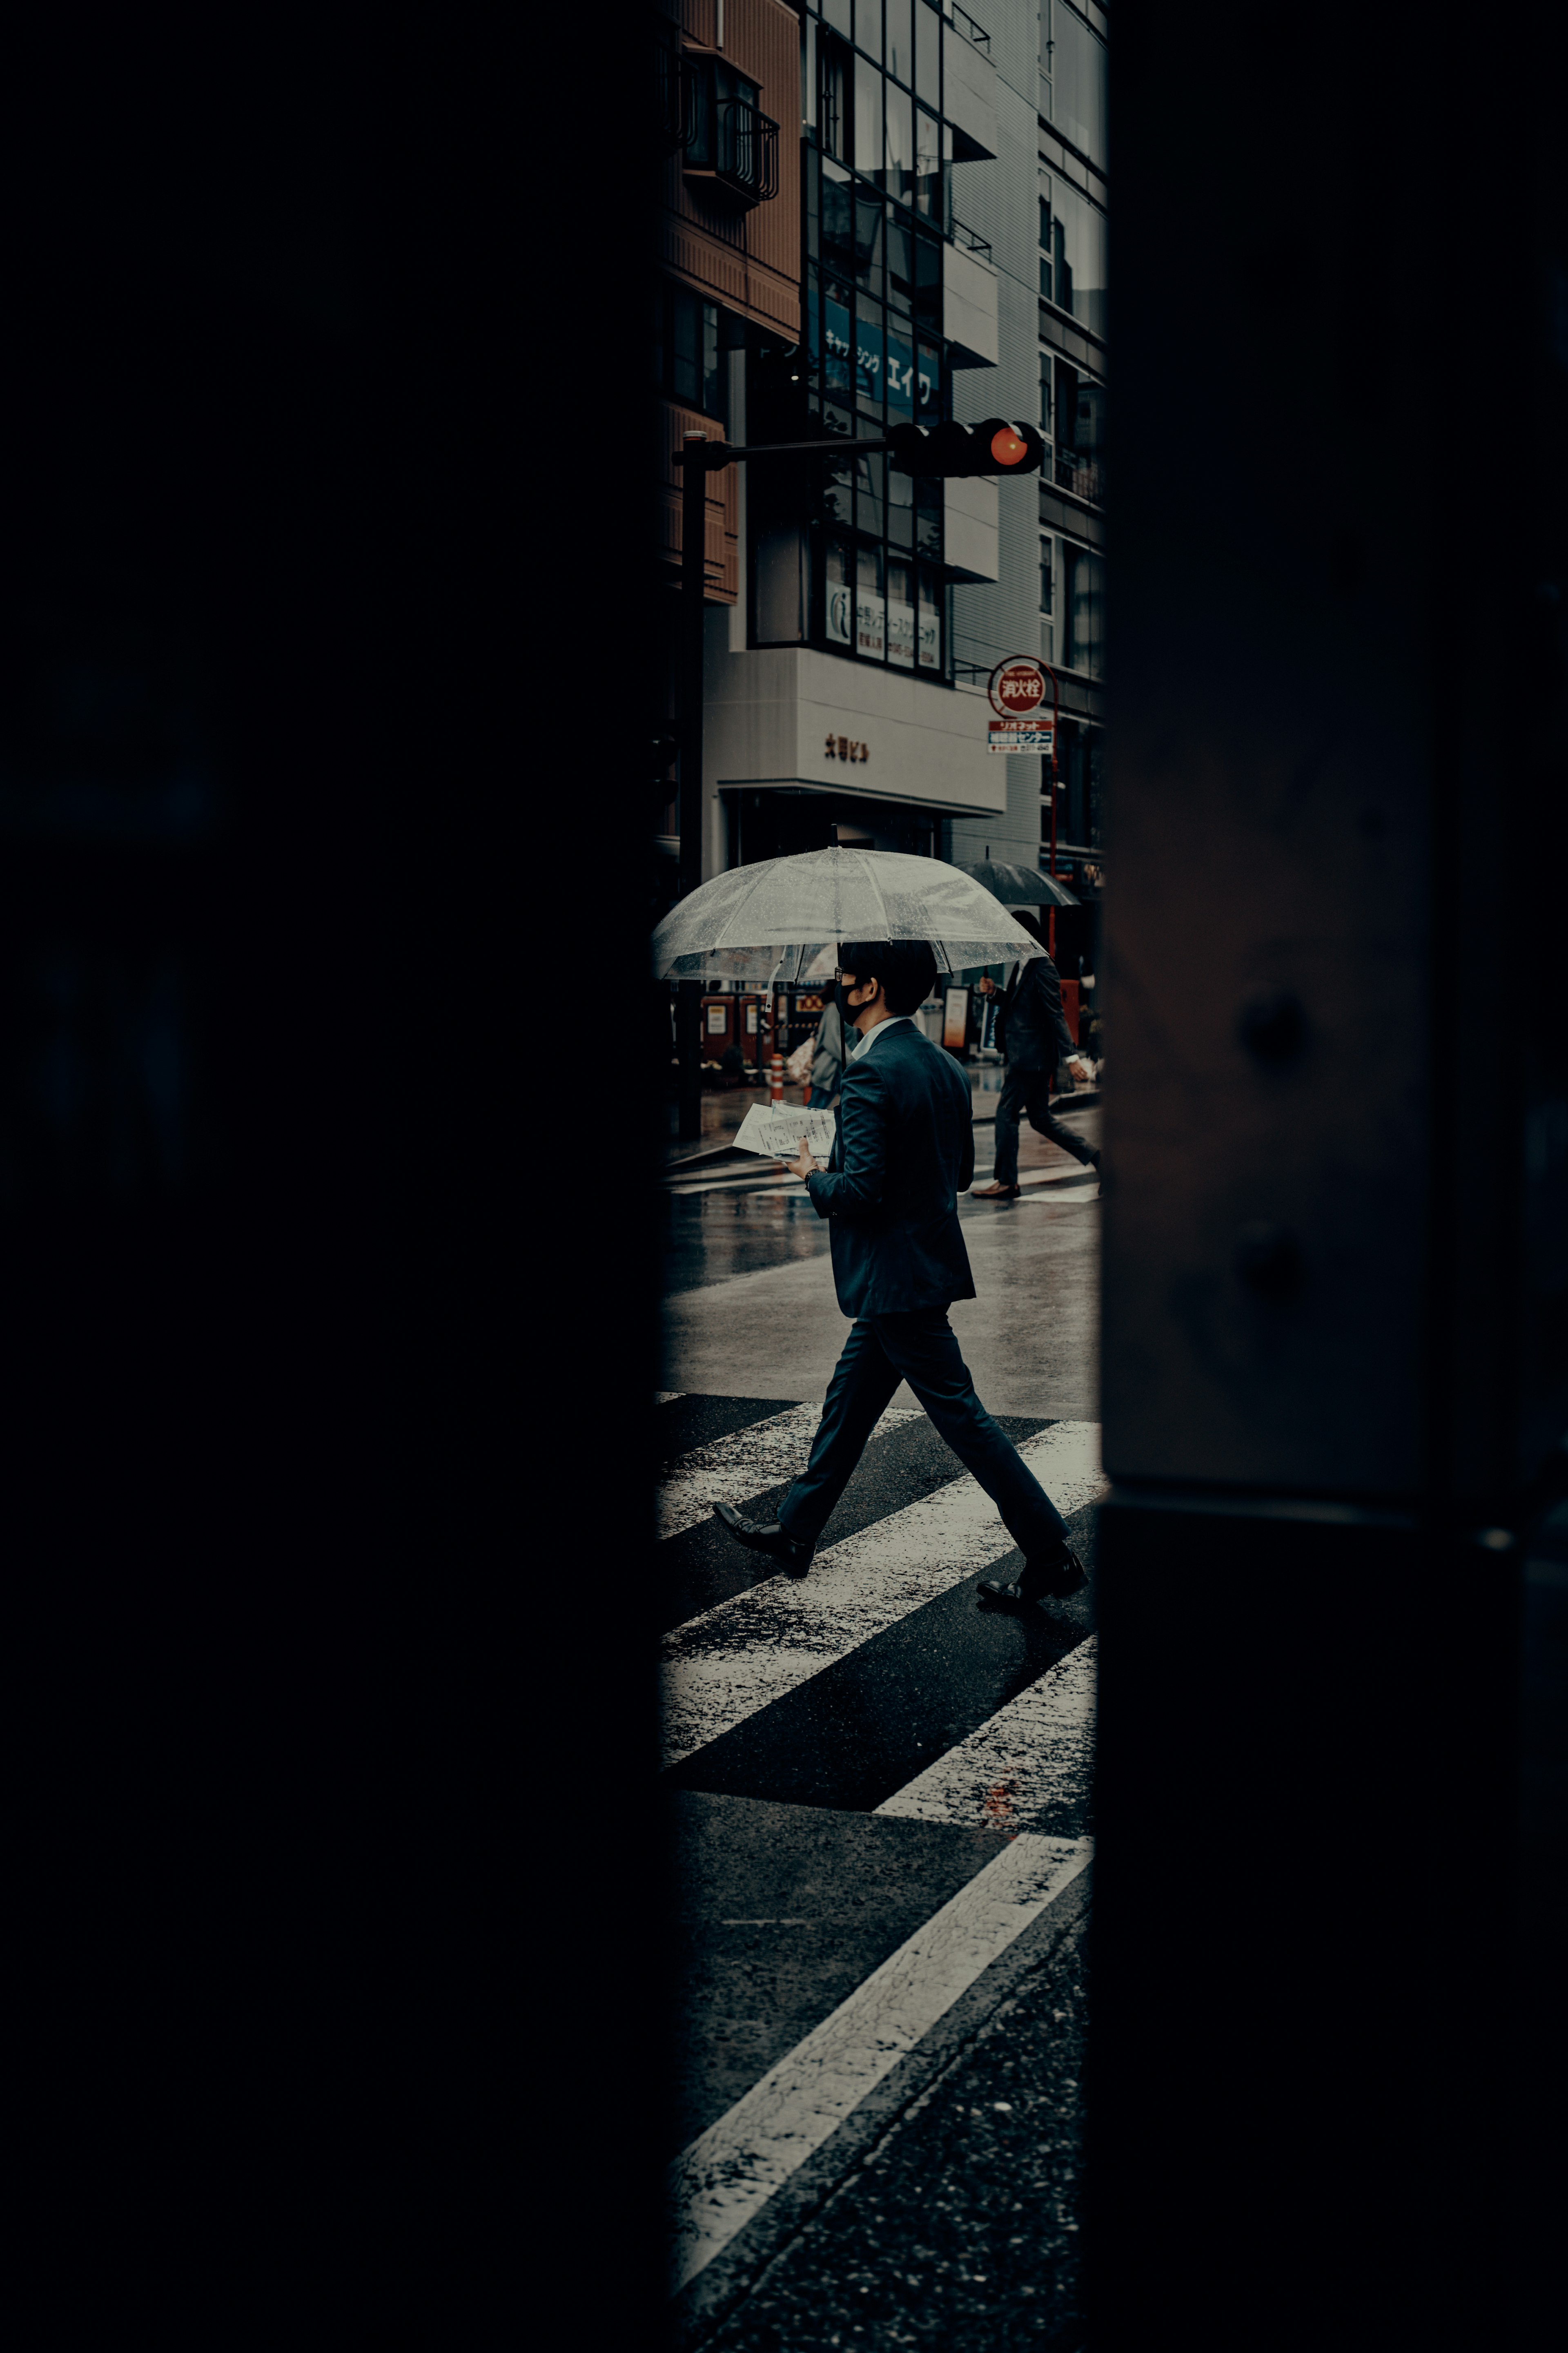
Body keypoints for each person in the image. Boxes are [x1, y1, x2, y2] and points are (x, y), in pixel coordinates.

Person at [711, 938, 1085, 1608]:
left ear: (871, 987)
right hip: (918, 1269)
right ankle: (796, 1530)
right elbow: (961, 1174)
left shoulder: (871, 1072)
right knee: (848, 1403)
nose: (836, 986)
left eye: (844, 976)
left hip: (895, 1279)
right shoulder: (943, 1065)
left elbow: (857, 1194)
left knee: (964, 1419)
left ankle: (1050, 1551)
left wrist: (809, 1171)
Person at [970, 911, 1100, 1201]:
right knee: (1041, 1119)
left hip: (1031, 1059)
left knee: (1006, 1115)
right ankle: (1099, 1159)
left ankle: (1007, 1182)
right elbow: (1022, 1005)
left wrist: (1071, 1058)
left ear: (1025, 934)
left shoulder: (1043, 967)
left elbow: (1055, 1015)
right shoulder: (1023, 964)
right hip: (1029, 1056)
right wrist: (995, 993)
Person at [806, 992, 844, 1109]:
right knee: (814, 1111)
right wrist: (853, 1059)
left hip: (839, 1069)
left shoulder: (841, 1009)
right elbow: (832, 1041)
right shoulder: (834, 1009)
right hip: (829, 1069)